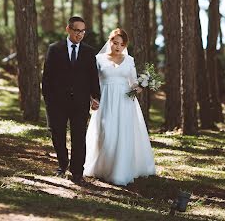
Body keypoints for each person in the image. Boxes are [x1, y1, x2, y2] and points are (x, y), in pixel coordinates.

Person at [84, 28, 156, 186]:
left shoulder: (129, 60)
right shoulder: (99, 59)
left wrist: (142, 84)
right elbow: (91, 82)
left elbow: (133, 83)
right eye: (115, 42)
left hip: (125, 102)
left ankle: (120, 171)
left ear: (125, 46)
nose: (117, 47)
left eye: (121, 44)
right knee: (106, 133)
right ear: (109, 41)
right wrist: (92, 99)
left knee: (122, 134)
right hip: (105, 100)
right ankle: (102, 167)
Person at [42, 16, 100, 184]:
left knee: (79, 138)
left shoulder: (89, 52)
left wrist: (95, 97)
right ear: (68, 29)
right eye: (77, 31)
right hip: (57, 103)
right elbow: (47, 78)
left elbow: (92, 77)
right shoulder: (54, 49)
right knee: (57, 134)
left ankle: (77, 172)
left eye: (83, 31)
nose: (80, 34)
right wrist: (49, 101)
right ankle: (62, 164)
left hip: (80, 103)